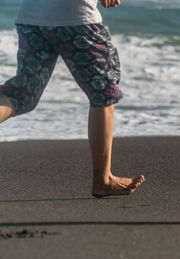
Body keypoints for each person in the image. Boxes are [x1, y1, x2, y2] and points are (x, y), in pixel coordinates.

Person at [0, 0, 145, 197]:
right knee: (102, 93)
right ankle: (103, 180)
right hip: (74, 15)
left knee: (22, 94)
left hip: (32, 16)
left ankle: (104, 179)